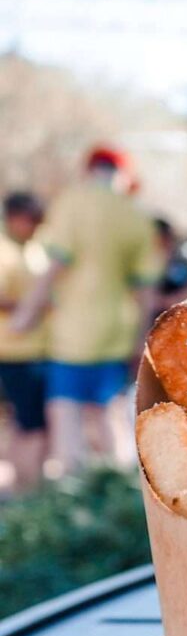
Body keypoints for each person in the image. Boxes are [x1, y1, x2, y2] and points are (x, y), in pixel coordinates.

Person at [13, 147, 160, 473]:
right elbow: (146, 289)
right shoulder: (135, 214)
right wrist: (141, 339)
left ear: (90, 170)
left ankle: (71, 497)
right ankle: (120, 497)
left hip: (71, 335)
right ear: (122, 175)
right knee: (110, 418)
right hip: (115, 334)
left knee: (66, 422)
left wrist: (25, 316)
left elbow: (53, 268)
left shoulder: (72, 202)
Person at [0, 193, 51, 491]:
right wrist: (31, 306)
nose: (34, 225)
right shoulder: (4, 251)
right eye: (30, 218)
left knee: (32, 423)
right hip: (15, 353)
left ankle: (27, 481)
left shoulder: (37, 247)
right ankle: (25, 485)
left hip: (40, 349)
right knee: (31, 424)